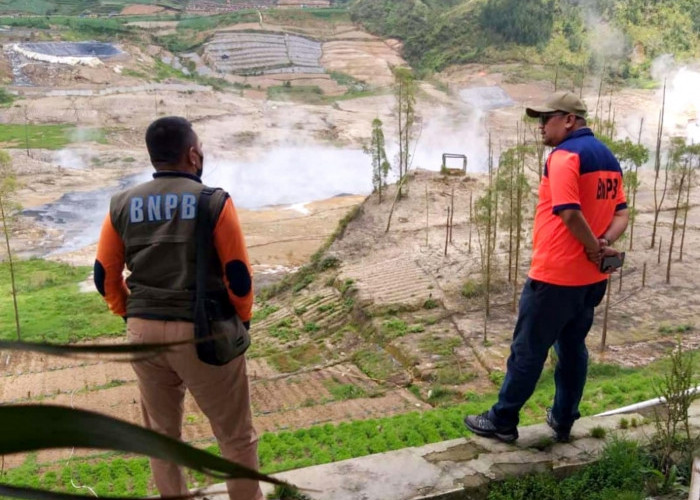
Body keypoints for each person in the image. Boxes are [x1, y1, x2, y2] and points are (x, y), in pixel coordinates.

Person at [94, 116, 263, 500]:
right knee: (235, 436)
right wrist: (244, 321)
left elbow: (104, 274)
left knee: (162, 436)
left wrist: (129, 314)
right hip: (204, 332)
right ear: (192, 154)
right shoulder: (214, 202)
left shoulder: (121, 203)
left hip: (143, 333)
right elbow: (238, 277)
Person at [465, 91, 629, 443]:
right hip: (591, 280)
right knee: (572, 347)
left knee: (528, 350)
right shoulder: (609, 158)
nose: (540, 127)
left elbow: (569, 212)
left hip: (555, 276)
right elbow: (622, 213)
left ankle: (503, 419)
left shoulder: (564, 156)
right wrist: (603, 246)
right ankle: (564, 417)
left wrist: (589, 247)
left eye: (546, 119)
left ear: (569, 119)